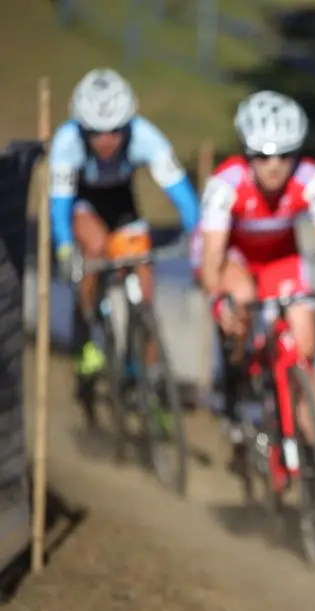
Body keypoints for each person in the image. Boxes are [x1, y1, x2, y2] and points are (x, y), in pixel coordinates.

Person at [192, 90, 315, 478]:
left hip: (279, 258)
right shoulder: (225, 185)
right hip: (232, 255)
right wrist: (218, 301)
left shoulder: (312, 180)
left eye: (285, 156)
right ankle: (234, 389)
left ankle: (312, 463)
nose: (274, 167)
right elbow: (212, 259)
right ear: (247, 154)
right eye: (263, 157)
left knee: (301, 346)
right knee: (241, 299)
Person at [49, 68, 199, 396]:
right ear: (82, 128)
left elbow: (183, 195)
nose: (105, 141)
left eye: (115, 132)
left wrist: (198, 236)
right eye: (95, 133)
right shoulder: (66, 141)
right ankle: (87, 329)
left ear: (128, 124)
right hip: (84, 205)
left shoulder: (147, 136)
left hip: (122, 206)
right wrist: (63, 248)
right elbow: (59, 206)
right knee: (95, 247)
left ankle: (141, 367)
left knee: (144, 281)